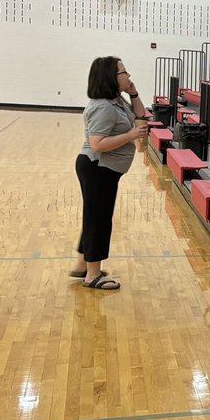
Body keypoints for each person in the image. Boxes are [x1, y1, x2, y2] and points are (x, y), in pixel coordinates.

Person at [73, 56, 147, 291]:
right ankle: (92, 275)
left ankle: (82, 264)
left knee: (95, 216)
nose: (128, 76)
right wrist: (130, 136)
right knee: (99, 220)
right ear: (111, 78)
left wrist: (133, 93)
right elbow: (97, 143)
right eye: (124, 73)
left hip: (105, 169)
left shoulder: (116, 100)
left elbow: (141, 114)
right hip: (97, 168)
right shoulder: (103, 107)